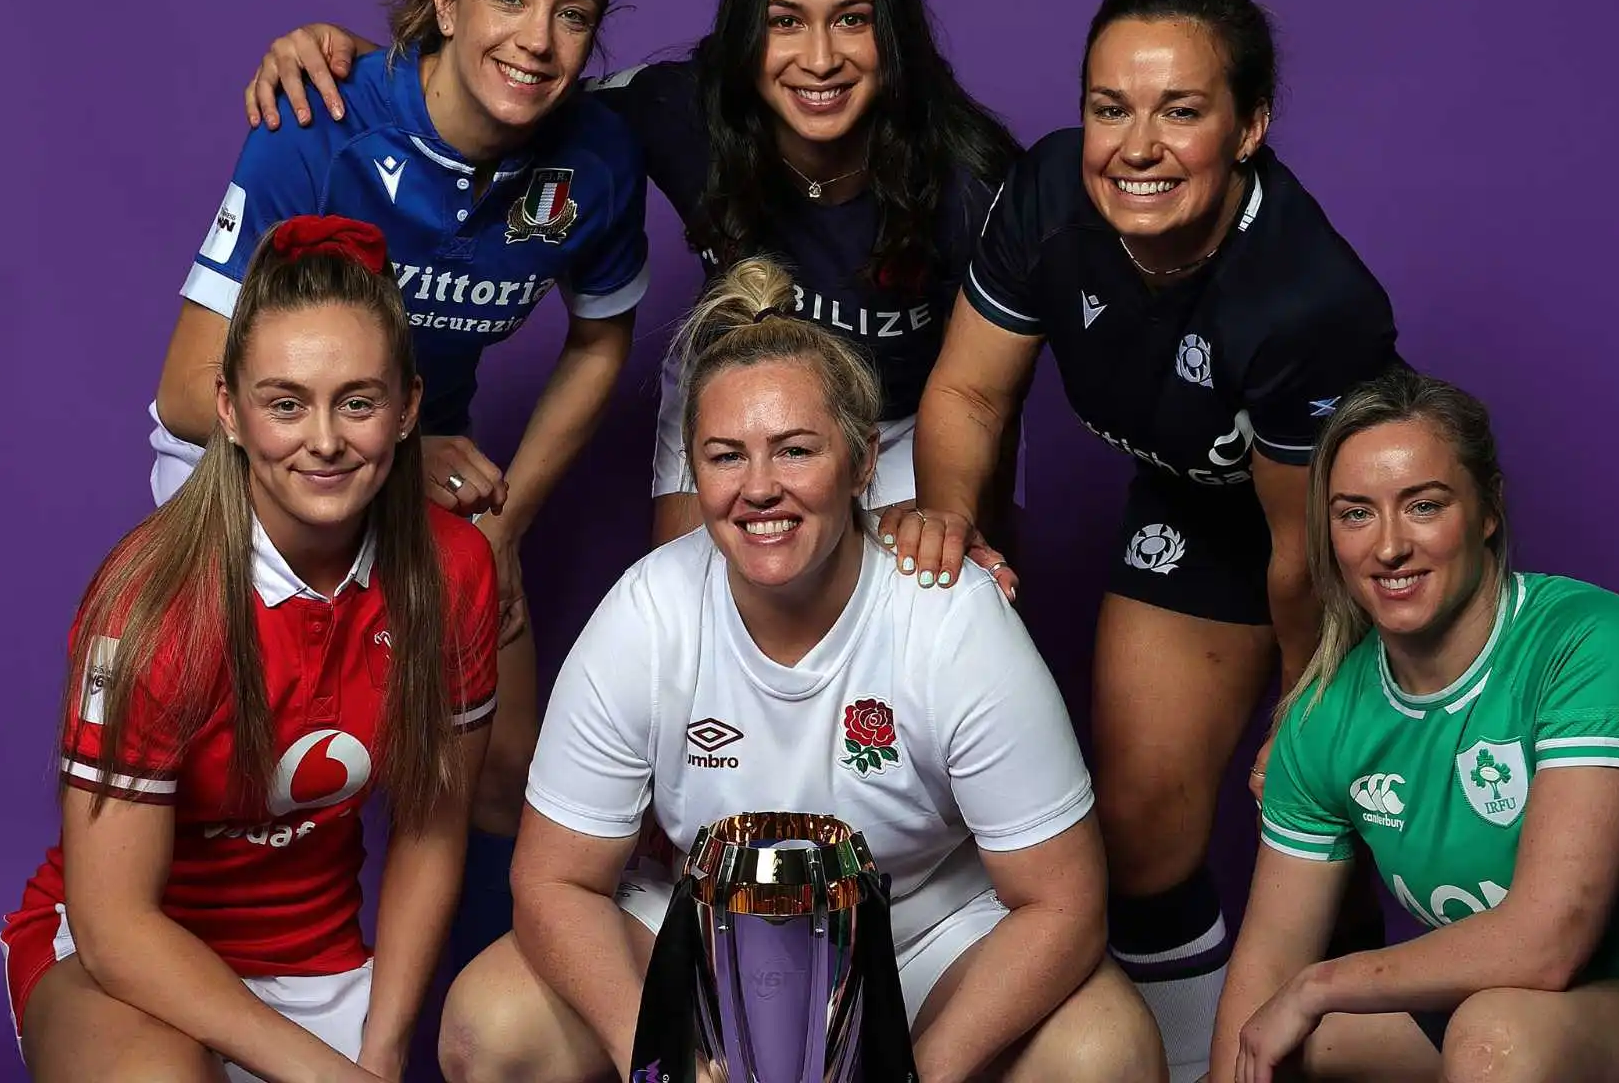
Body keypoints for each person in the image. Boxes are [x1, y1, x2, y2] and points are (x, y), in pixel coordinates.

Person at [431, 258, 1166, 1083]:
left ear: (861, 462)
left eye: (794, 451)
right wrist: (665, 1060)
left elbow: (1064, 902)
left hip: (921, 939)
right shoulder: (648, 611)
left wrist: (916, 1074)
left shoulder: (950, 615)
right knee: (490, 1026)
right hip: (706, 935)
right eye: (725, 456)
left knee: (1105, 1052)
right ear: (694, 471)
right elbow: (554, 881)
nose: (759, 489)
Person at [881, 0, 1401, 1076]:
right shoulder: (1047, 193)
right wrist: (947, 518)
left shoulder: (1307, 298)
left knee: (1340, 825)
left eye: (1182, 112)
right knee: (1138, 836)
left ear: (1250, 127)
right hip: (1193, 506)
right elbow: (967, 393)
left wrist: (1307, 706)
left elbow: (1305, 552)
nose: (1137, 146)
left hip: (1352, 550)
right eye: (1110, 108)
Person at [153, 0, 650, 972]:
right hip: (253, 462)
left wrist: (506, 520)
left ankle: (466, 1031)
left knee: (505, 768)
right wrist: (394, 452)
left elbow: (601, 341)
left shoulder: (597, 159)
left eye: (572, 12)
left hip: (422, 455)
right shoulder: (321, 123)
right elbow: (191, 390)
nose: (537, 39)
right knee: (250, 762)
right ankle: (200, 1002)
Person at [242, 0, 1024, 552]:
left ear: (893, 32)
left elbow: (982, 395)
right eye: (785, 21)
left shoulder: (972, 180)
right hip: (733, 381)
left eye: (851, 19)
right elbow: (508, 86)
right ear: (747, 34)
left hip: (902, 418)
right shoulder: (679, 111)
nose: (819, 58)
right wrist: (366, 74)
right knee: (694, 613)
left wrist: (971, 521)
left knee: (916, 605)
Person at [1211, 369, 1619, 1083]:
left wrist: (1319, 985)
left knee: (1494, 1040)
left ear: (1487, 511)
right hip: (1512, 1001)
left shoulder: (1592, 644)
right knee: (1280, 1050)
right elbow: (1268, 966)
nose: (1388, 547)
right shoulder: (1323, 717)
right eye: (1355, 514)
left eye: (1424, 505)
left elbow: (1547, 942)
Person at [0, 216, 500, 1083]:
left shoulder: (453, 570)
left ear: (409, 408)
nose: (325, 440)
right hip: (123, 968)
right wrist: (327, 1076)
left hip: (320, 970)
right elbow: (115, 925)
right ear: (229, 410)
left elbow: (432, 828)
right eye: (285, 403)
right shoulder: (149, 602)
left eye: (358, 401)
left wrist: (382, 1051)